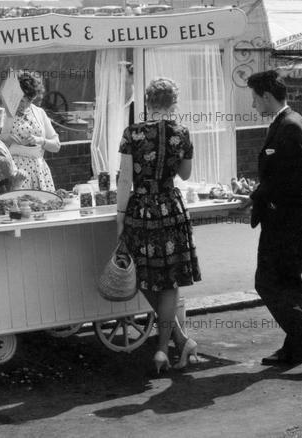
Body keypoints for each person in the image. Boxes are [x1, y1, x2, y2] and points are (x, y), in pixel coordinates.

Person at [115, 78, 201, 373]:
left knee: (141, 275)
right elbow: (186, 175)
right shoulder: (183, 133)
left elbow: (124, 180)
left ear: (148, 103)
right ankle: (170, 345)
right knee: (169, 281)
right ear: (173, 103)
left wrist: (119, 218)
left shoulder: (132, 133)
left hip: (140, 210)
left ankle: (167, 347)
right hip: (171, 209)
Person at [246, 70, 302, 370]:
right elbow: (281, 173)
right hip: (292, 215)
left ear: (266, 96)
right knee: (290, 284)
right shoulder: (290, 120)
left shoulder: (289, 126)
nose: (253, 105)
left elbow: (292, 178)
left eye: (254, 98)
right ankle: (295, 349)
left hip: (286, 218)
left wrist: (255, 197)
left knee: (266, 282)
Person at [0, 70, 60, 191]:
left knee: (41, 206)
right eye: (21, 100)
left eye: (29, 100)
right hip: (14, 172)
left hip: (39, 171)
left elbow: (56, 146)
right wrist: (5, 137)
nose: (24, 104)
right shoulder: (3, 113)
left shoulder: (39, 112)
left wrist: (41, 140)